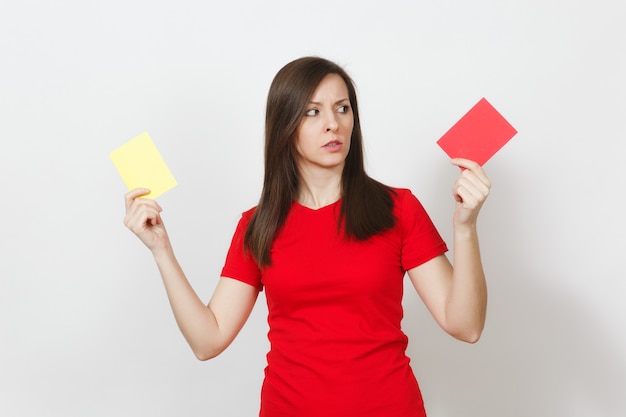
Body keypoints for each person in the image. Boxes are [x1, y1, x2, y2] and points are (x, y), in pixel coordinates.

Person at [123, 56, 491, 417]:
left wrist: (465, 226)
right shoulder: (258, 225)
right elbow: (208, 341)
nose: (333, 124)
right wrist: (162, 251)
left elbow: (466, 326)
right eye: (312, 112)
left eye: (342, 108)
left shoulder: (398, 208)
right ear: (285, 125)